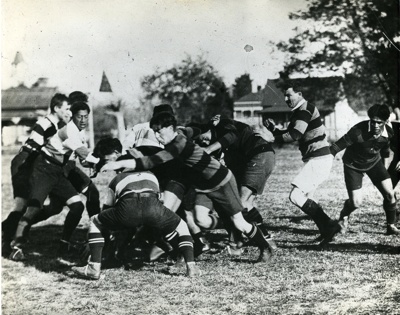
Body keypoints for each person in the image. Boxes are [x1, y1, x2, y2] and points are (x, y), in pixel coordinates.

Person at [101, 112, 276, 262]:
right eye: (154, 131)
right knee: (201, 220)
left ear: (170, 128)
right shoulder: (182, 133)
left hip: (221, 181)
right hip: (204, 186)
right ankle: (209, 235)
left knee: (239, 222)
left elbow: (149, 162)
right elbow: (197, 129)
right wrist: (207, 125)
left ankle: (265, 247)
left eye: (159, 131)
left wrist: (115, 165)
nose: (157, 135)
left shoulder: (178, 145)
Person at [72, 138, 201, 279]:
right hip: (156, 198)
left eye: (108, 161)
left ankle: (94, 266)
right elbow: (157, 198)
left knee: (98, 221)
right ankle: (191, 265)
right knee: (176, 225)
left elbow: (107, 211)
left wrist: (95, 240)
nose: (109, 166)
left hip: (174, 181)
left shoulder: (120, 176)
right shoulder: (149, 174)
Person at [8, 101, 94, 261]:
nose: (83, 120)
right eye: (79, 116)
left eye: (85, 117)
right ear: (73, 117)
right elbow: (85, 155)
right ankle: (16, 245)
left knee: (77, 206)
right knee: (33, 207)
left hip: (58, 171)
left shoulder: (80, 133)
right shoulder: (69, 130)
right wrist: (105, 160)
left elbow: (84, 159)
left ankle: (64, 243)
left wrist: (92, 164)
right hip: (43, 169)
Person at [262, 82, 341, 244]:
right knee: (308, 198)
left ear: (299, 93)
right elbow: (291, 133)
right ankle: (328, 229)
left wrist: (271, 138)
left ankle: (330, 226)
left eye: (288, 95)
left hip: (319, 160)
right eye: (284, 95)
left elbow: (295, 135)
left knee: (296, 196)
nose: (285, 98)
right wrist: (275, 131)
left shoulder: (304, 110)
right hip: (318, 159)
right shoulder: (300, 110)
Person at [2, 93, 71, 256]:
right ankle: (6, 240)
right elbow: (36, 145)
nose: (69, 112)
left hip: (31, 162)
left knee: (34, 205)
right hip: (25, 162)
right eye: (66, 108)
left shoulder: (56, 125)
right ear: (56, 108)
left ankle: (10, 235)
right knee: (22, 205)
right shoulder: (45, 123)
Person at [194, 115, 275, 240]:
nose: (203, 142)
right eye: (201, 143)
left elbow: (232, 135)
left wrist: (209, 149)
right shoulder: (227, 147)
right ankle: (264, 237)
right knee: (245, 203)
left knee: (241, 203)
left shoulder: (221, 126)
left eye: (201, 139)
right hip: (261, 155)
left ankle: (260, 238)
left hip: (259, 155)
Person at [330, 104, 399, 235]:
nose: (375, 125)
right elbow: (336, 146)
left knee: (390, 194)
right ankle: (344, 215)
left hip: (374, 163)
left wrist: (383, 171)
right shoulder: (357, 131)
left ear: (386, 122)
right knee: (355, 203)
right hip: (353, 165)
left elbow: (385, 149)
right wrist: (326, 158)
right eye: (373, 122)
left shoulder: (389, 132)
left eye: (379, 122)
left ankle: (391, 226)